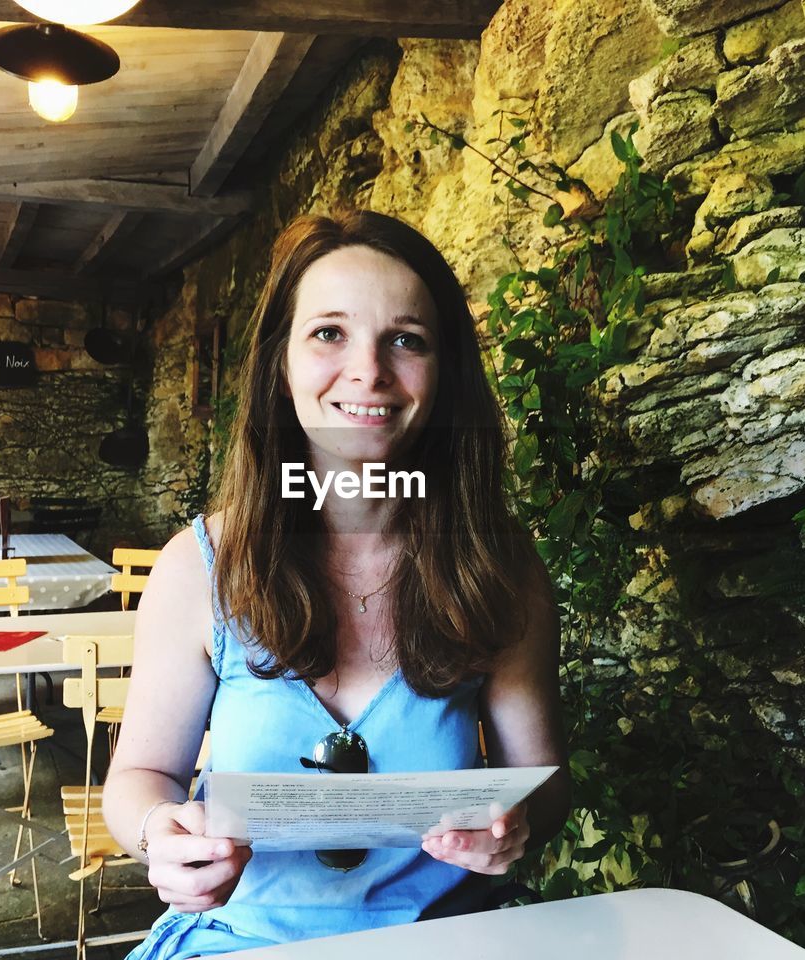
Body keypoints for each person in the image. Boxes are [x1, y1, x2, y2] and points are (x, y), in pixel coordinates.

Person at [104, 210, 570, 958]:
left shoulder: (500, 568)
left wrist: (512, 826)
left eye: (407, 340)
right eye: (329, 333)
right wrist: (161, 832)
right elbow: (141, 775)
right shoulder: (197, 569)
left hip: (447, 939)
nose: (369, 372)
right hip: (241, 941)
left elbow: (542, 786)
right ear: (279, 365)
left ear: (443, 374)